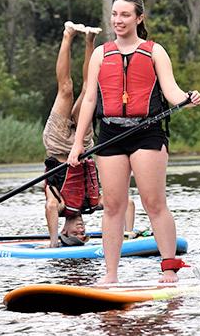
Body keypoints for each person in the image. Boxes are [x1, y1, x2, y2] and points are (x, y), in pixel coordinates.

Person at [67, 0, 200, 284]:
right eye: (115, 14)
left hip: (147, 132)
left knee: (154, 202)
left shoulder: (155, 51)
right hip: (111, 133)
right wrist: (78, 143)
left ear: (139, 18)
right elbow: (89, 100)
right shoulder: (102, 53)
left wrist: (187, 98)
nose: (118, 20)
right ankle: (111, 274)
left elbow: (172, 92)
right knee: (113, 205)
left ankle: (169, 268)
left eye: (125, 15)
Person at [42, 22, 135, 248]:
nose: (81, 230)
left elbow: (50, 208)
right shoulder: (93, 204)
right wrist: (128, 234)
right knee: (87, 89)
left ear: (64, 230)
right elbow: (128, 203)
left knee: (65, 90)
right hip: (84, 143)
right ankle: (90, 41)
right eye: (83, 236)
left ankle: (68, 34)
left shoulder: (61, 206)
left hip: (57, 143)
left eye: (75, 234)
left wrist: (53, 243)